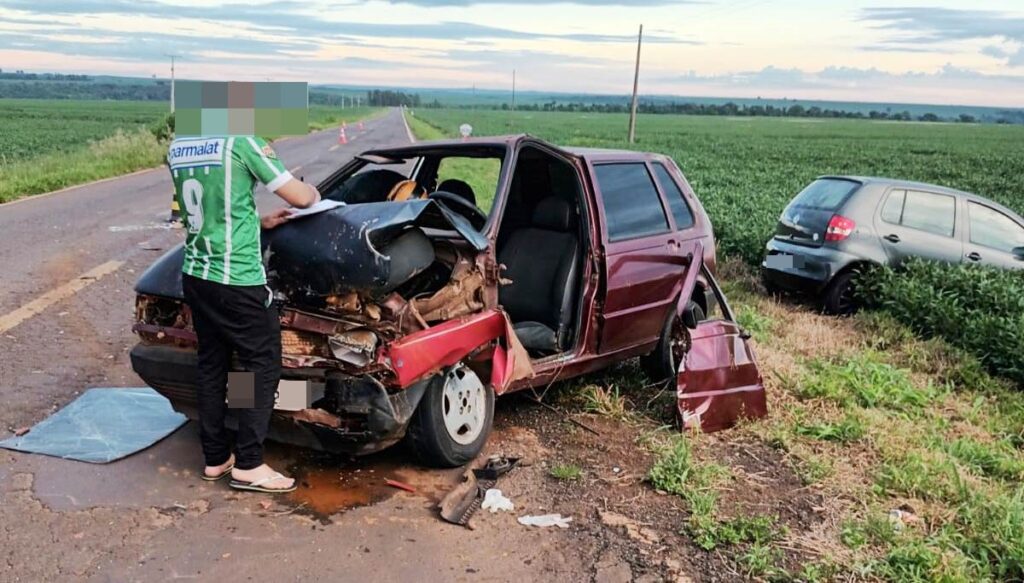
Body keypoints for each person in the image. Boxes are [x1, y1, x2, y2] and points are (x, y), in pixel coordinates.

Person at [167, 135, 320, 493]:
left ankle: (216, 457)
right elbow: (299, 196)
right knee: (260, 367)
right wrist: (312, 192)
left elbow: (211, 206)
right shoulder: (241, 142)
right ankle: (250, 463)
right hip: (237, 279)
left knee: (212, 364)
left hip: (197, 274)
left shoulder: (180, 146)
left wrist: (257, 221)